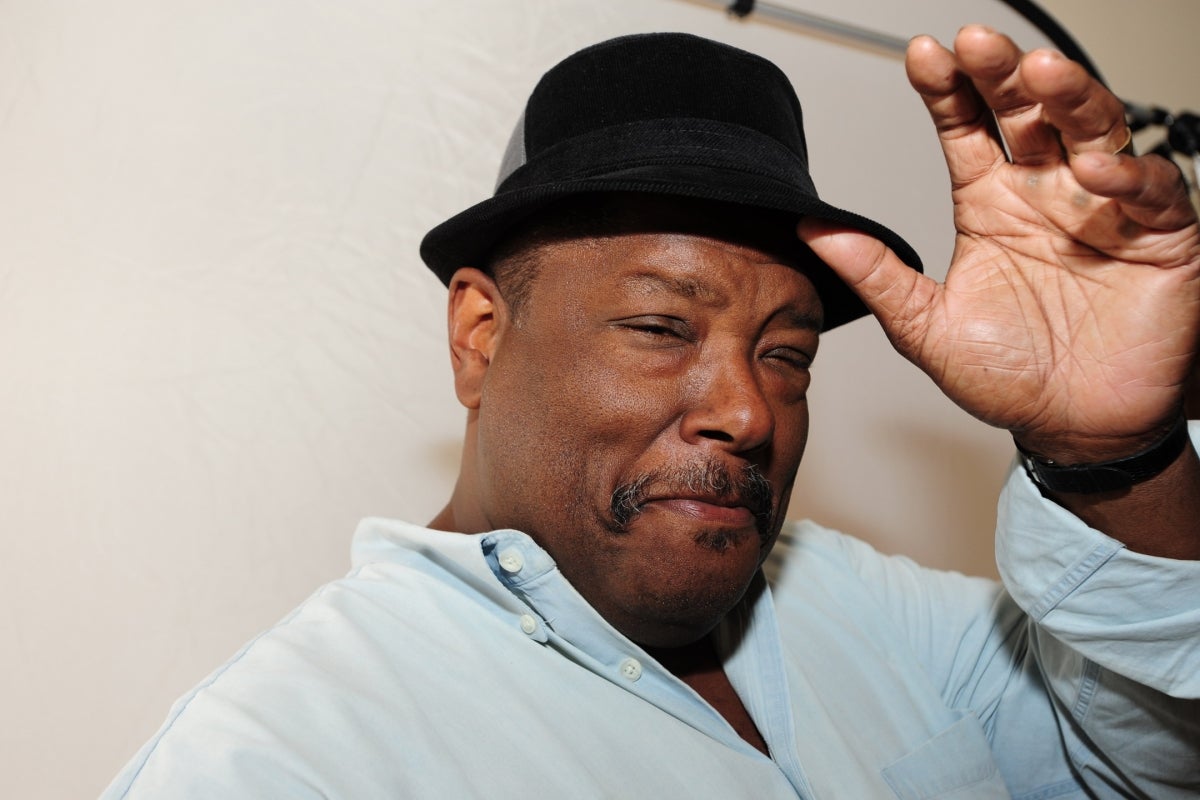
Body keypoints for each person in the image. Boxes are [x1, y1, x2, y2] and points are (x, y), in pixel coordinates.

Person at [103, 27, 1199, 799]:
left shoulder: (867, 608)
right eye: (661, 326)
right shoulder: (284, 758)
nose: (746, 409)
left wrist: (1117, 456)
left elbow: (1148, 764)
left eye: (787, 354)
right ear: (481, 335)